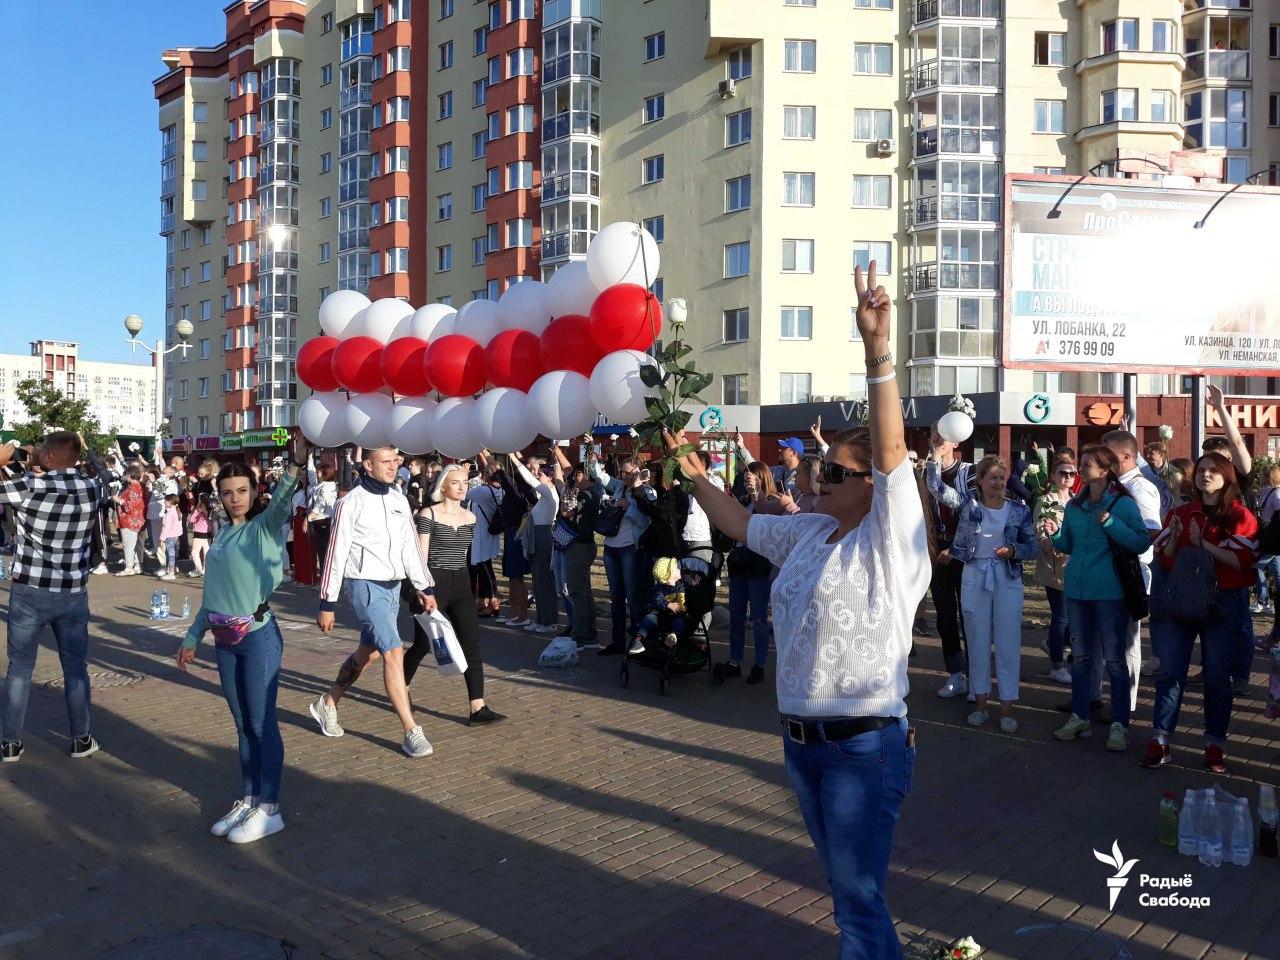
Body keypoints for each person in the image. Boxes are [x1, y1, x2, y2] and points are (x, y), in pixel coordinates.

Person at [665, 262, 929, 959]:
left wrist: (876, 350)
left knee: (855, 897)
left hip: (862, 746)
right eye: (818, 470)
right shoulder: (808, 531)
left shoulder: (890, 540)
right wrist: (692, 469)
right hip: (800, 740)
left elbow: (894, 450)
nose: (817, 478)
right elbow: (737, 524)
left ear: (871, 486)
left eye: (834, 472)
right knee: (852, 892)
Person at [174, 437, 310, 843]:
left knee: (261, 723)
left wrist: (294, 466)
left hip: (258, 637)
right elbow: (211, 596)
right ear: (219, 496)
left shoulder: (263, 529)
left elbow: (283, 499)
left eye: (243, 491)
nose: (235, 499)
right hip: (224, 641)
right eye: (228, 493)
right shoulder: (219, 538)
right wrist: (191, 636)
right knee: (241, 725)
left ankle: (271, 807)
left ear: (254, 494)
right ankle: (251, 798)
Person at [310, 445, 437, 759]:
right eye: (385, 461)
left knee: (370, 654)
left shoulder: (398, 499)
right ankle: (411, 731)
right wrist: (328, 601)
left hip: (393, 588)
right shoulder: (349, 503)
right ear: (367, 465)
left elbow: (410, 546)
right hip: (365, 586)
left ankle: (327, 703)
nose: (393, 466)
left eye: (395, 460)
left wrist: (424, 586)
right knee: (394, 651)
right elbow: (335, 551)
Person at [1141, 453, 1258, 773]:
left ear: (1226, 478)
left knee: (1218, 676)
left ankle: (1214, 745)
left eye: (1213, 471)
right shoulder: (1181, 512)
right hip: (1184, 601)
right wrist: (1176, 541)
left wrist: (1202, 545)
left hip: (1223, 604)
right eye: (1201, 471)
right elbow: (1166, 561)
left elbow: (1242, 563)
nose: (1205, 476)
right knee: (1170, 672)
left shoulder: (1239, 516)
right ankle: (1161, 740)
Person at [1, 433, 114, 763]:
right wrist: (87, 451)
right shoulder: (91, 488)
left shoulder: (29, 487)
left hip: (29, 591)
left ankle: (10, 743)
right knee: (75, 669)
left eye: (41, 450)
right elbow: (103, 474)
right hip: (72, 593)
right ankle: (81, 739)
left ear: (49, 457)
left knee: (19, 670)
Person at [1044, 445, 1151, 752]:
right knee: (1080, 659)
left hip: (1109, 593)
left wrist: (1111, 523)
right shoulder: (1076, 504)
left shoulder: (1122, 503)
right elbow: (1069, 543)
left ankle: (1119, 724)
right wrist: (1054, 534)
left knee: (1114, 660)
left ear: (1105, 471)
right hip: (1076, 591)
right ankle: (1080, 716)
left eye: (1088, 463)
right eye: (1082, 461)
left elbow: (1141, 541)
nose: (1081, 466)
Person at [404, 465, 504, 725]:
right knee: (424, 645)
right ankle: (400, 688)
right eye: (456, 483)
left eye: (465, 482)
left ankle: (477, 707)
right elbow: (420, 557)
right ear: (443, 486)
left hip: (461, 583)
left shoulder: (470, 517)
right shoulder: (429, 514)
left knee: (471, 643)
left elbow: (467, 557)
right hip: (433, 582)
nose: (462, 487)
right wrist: (423, 590)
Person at [946, 455, 1037, 732]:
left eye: (1001, 477)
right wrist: (935, 455)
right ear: (981, 481)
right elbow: (938, 488)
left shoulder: (1019, 510)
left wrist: (1013, 551)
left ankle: (1008, 707)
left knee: (1008, 641)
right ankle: (982, 705)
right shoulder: (968, 505)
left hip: (1007, 577)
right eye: (992, 478)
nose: (998, 483)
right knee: (977, 639)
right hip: (975, 575)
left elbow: (1031, 547)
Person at [1102, 430, 1163, 691]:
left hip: (1131, 571)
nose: (1103, 459)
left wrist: (1118, 535)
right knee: (1106, 639)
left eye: (1109, 454)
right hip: (1107, 570)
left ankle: (1126, 703)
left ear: (1126, 456)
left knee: (1127, 641)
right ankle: (1097, 695)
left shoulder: (1140, 488)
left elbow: (1151, 531)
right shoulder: (1113, 485)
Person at [714, 461, 784, 685]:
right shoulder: (742, 501)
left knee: (759, 618)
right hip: (738, 563)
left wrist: (756, 492)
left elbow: (766, 518)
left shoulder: (770, 502)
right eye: (745, 478)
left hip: (758, 565)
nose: (747, 481)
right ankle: (735, 660)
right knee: (736, 615)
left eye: (751, 477)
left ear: (762, 477)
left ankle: (759, 664)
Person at [923, 425, 976, 699]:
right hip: (938, 550)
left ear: (954, 441)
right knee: (944, 613)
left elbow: (971, 511)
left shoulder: (969, 471)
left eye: (940, 435)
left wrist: (956, 549)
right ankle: (955, 673)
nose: (934, 440)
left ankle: (975, 675)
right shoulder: (926, 471)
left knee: (969, 614)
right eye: (932, 434)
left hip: (965, 550)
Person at [587, 450, 655, 656]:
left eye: (629, 473)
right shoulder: (619, 486)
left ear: (639, 471)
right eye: (623, 473)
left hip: (629, 550)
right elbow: (601, 476)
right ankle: (617, 642)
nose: (625, 477)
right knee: (616, 597)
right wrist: (592, 462)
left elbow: (646, 521)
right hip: (611, 548)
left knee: (633, 597)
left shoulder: (647, 492)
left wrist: (628, 508)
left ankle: (637, 641)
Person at [1033, 457, 1076, 684]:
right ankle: (1057, 665)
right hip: (1055, 567)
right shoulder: (1046, 501)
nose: (1067, 477)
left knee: (1073, 618)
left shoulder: (1077, 500)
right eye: (1062, 473)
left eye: (1071, 473)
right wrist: (1052, 545)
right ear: (1052, 476)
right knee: (1061, 616)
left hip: (1076, 566)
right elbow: (1040, 533)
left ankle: (1054, 645)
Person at [511, 452, 562, 634]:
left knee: (544, 580)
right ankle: (541, 618)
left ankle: (549, 621)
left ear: (549, 478)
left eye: (540, 474)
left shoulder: (549, 492)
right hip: (538, 536)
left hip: (544, 536)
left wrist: (515, 459)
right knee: (537, 579)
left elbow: (530, 481)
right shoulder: (545, 495)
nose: (536, 476)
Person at [559, 459, 604, 649]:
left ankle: (580, 635)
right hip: (586, 544)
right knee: (584, 591)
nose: (574, 480)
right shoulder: (595, 492)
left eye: (575, 475)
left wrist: (568, 512)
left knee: (577, 592)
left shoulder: (587, 494)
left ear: (581, 474)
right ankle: (590, 632)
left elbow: (567, 514)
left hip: (580, 545)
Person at [629, 556, 708, 655]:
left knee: (679, 622)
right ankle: (638, 640)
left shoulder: (683, 584)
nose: (679, 569)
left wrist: (696, 583)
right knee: (648, 619)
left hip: (677, 616)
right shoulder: (660, 589)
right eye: (675, 568)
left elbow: (692, 595)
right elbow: (655, 599)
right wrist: (667, 604)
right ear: (669, 575)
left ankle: (672, 637)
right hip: (659, 616)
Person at [464, 464, 504, 618]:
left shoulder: (483, 491)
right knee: (484, 566)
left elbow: (464, 493)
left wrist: (466, 474)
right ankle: (482, 600)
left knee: (485, 567)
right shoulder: (499, 489)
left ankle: (493, 601)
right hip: (488, 532)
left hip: (481, 534)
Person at [1253, 464, 1280, 614]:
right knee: (1277, 572)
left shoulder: (1276, 494)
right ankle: (1266, 602)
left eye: (1263, 474)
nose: (1260, 476)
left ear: (1268, 476)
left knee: (1256, 566)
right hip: (1271, 539)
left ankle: (1263, 602)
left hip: (1271, 538)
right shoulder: (1267, 492)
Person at [113, 464, 148, 576]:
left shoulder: (132, 488)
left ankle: (129, 568)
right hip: (141, 520)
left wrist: (118, 500)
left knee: (129, 545)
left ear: (129, 475)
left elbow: (130, 506)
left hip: (130, 520)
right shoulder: (143, 487)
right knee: (139, 544)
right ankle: (138, 565)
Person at [159, 493, 183, 581]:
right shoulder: (177, 511)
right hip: (175, 536)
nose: (164, 502)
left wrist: (162, 538)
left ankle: (171, 572)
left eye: (165, 501)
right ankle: (174, 569)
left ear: (170, 502)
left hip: (170, 536)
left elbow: (166, 527)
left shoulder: (170, 513)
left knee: (170, 554)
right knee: (174, 553)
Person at [189, 494, 212, 576]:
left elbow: (191, 520)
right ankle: (206, 570)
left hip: (199, 534)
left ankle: (200, 570)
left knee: (194, 553)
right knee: (206, 553)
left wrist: (196, 511)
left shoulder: (199, 512)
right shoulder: (210, 511)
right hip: (208, 534)